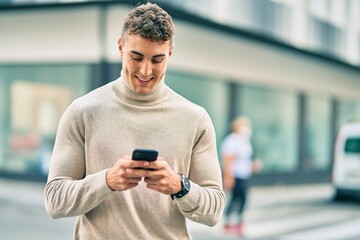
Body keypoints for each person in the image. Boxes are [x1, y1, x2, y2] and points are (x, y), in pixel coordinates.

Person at [44, 3, 225, 240]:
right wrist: (107, 181)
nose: (146, 70)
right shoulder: (82, 112)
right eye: (136, 57)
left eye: (157, 59)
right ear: (120, 48)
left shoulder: (195, 119)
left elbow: (214, 211)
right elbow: (55, 201)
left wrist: (180, 186)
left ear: (170, 53)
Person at [221, 116, 259, 236]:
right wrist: (228, 177)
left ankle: (235, 222)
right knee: (238, 198)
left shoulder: (244, 140)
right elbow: (228, 160)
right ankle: (231, 222)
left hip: (244, 174)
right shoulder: (231, 141)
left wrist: (252, 164)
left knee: (240, 198)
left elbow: (246, 157)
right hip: (235, 174)